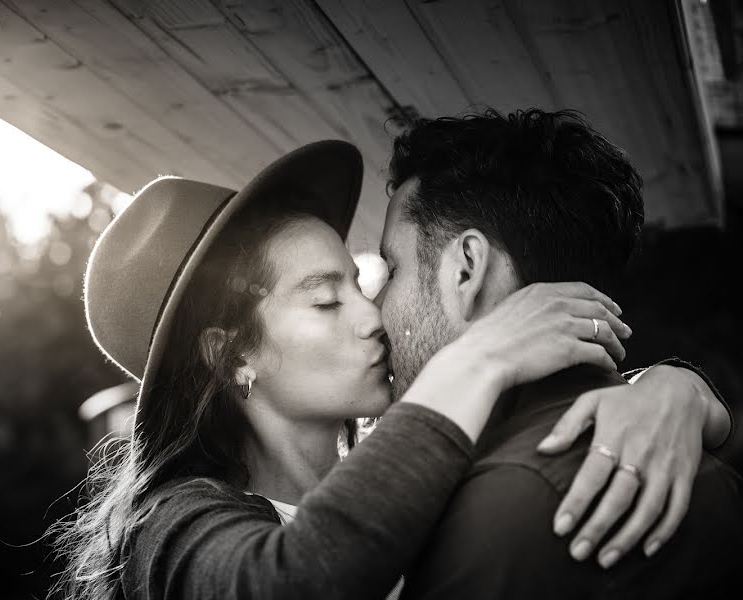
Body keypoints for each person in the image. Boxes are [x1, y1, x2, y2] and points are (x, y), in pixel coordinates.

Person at [53, 141, 730, 600]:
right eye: (326, 299)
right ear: (233, 354)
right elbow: (298, 580)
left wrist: (673, 389)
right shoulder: (168, 524)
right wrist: (483, 351)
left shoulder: (404, 468)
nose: (373, 315)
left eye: (364, 280)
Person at [367, 110, 743, 600]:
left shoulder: (500, 511)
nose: (374, 311)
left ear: (466, 271)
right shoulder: (700, 462)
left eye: (391, 270)